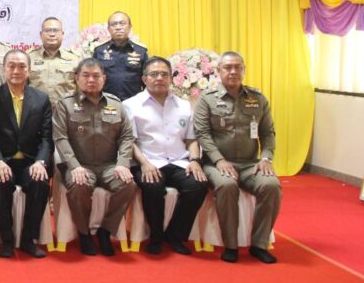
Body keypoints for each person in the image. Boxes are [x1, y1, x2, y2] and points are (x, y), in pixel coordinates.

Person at [194, 52, 281, 264]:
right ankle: (231, 245)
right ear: (218, 71)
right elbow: (202, 134)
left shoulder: (258, 98)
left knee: (271, 185)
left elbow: (268, 133)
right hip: (216, 164)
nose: (233, 72)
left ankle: (259, 244)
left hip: (250, 164)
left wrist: (266, 158)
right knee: (226, 186)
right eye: (227, 67)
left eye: (237, 67)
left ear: (243, 70)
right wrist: (219, 160)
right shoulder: (207, 99)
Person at [123, 57, 208, 255]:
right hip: (148, 161)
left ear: (171, 78)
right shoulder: (131, 105)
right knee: (152, 186)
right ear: (144, 78)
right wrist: (144, 164)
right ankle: (156, 237)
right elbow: (129, 141)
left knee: (198, 185)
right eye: (154, 74)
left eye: (164, 74)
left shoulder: (184, 105)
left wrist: (195, 161)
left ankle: (175, 235)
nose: (159, 78)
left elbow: (191, 139)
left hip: (179, 161)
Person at [0, 50, 52, 258]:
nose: (16, 71)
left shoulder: (41, 99)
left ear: (29, 70)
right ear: (4, 69)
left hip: (30, 161)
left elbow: (46, 138)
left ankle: (28, 240)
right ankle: (7, 240)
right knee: (1, 183)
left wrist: (40, 162)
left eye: (22, 66)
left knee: (40, 183)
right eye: (12, 66)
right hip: (1, 160)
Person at [52, 58, 136, 256]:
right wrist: (74, 166)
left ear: (104, 79)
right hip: (80, 165)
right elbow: (61, 138)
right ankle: (84, 233)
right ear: (76, 78)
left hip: (109, 166)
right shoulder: (65, 104)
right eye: (86, 75)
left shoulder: (116, 104)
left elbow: (126, 136)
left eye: (96, 76)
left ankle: (106, 231)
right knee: (79, 185)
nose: (91, 80)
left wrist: (123, 163)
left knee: (128, 184)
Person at [92, 11, 148, 101]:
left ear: (130, 27)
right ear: (108, 29)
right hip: (105, 103)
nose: (118, 27)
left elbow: (147, 81)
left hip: (133, 103)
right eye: (114, 24)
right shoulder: (99, 51)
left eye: (122, 23)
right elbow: (93, 79)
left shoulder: (141, 51)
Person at [27, 16, 79, 108]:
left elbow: (81, 89)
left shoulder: (75, 58)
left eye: (55, 30)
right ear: (41, 34)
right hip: (36, 111)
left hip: (65, 112)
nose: (52, 34)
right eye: (48, 30)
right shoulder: (29, 58)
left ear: (62, 34)